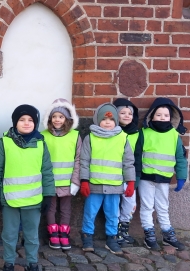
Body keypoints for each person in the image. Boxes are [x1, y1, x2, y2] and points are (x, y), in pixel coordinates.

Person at [0, 104, 55, 271]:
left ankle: (32, 263)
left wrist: (48, 195)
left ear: (35, 123)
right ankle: (9, 263)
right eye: (22, 120)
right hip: (10, 200)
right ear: (15, 122)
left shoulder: (41, 144)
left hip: (33, 201)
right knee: (9, 235)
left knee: (32, 236)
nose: (26, 123)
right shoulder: (5, 143)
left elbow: (47, 171)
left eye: (31, 120)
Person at [80, 103, 135, 255]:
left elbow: (128, 162)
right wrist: (84, 180)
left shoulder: (123, 138)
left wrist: (130, 182)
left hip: (114, 186)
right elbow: (84, 161)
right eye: (103, 119)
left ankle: (111, 238)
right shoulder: (90, 138)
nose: (107, 122)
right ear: (98, 121)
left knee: (113, 214)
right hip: (94, 185)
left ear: (116, 121)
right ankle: (87, 236)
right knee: (90, 212)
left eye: (111, 120)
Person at [137, 98, 188, 251]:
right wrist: (137, 177)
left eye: (166, 115)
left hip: (164, 179)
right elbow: (137, 155)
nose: (162, 118)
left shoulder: (174, 135)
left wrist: (181, 177)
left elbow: (180, 157)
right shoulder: (144, 133)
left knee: (163, 206)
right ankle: (149, 234)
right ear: (151, 116)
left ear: (171, 118)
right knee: (146, 206)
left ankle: (167, 233)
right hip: (146, 177)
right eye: (158, 115)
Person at [42, 99, 81, 250]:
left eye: (61, 117)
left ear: (67, 119)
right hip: (50, 182)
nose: (57, 120)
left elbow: (78, 159)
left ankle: (64, 233)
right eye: (54, 116)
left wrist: (75, 181)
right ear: (50, 118)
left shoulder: (75, 136)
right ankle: (53, 233)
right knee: (50, 209)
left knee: (65, 209)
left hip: (67, 182)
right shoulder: (43, 136)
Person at [113, 98, 141, 247]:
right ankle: (115, 229)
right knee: (114, 204)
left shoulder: (137, 133)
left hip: (130, 177)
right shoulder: (111, 132)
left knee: (130, 203)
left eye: (130, 113)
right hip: (114, 175)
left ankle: (124, 228)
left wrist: (136, 178)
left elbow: (138, 157)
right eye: (122, 112)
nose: (126, 115)